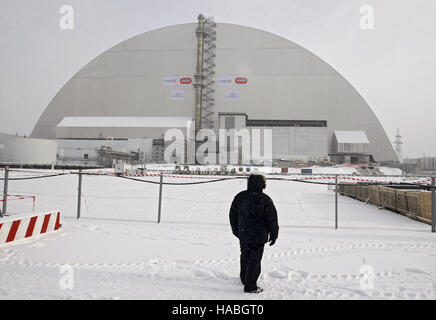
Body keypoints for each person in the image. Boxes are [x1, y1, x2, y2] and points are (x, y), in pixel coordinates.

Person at [229, 174, 279, 293]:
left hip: (244, 234)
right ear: (262, 184)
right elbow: (272, 219)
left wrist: (236, 230)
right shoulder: (265, 199)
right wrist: (274, 234)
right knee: (255, 260)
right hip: (258, 236)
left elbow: (232, 215)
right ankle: (250, 286)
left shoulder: (240, 197)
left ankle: (244, 278)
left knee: (245, 256)